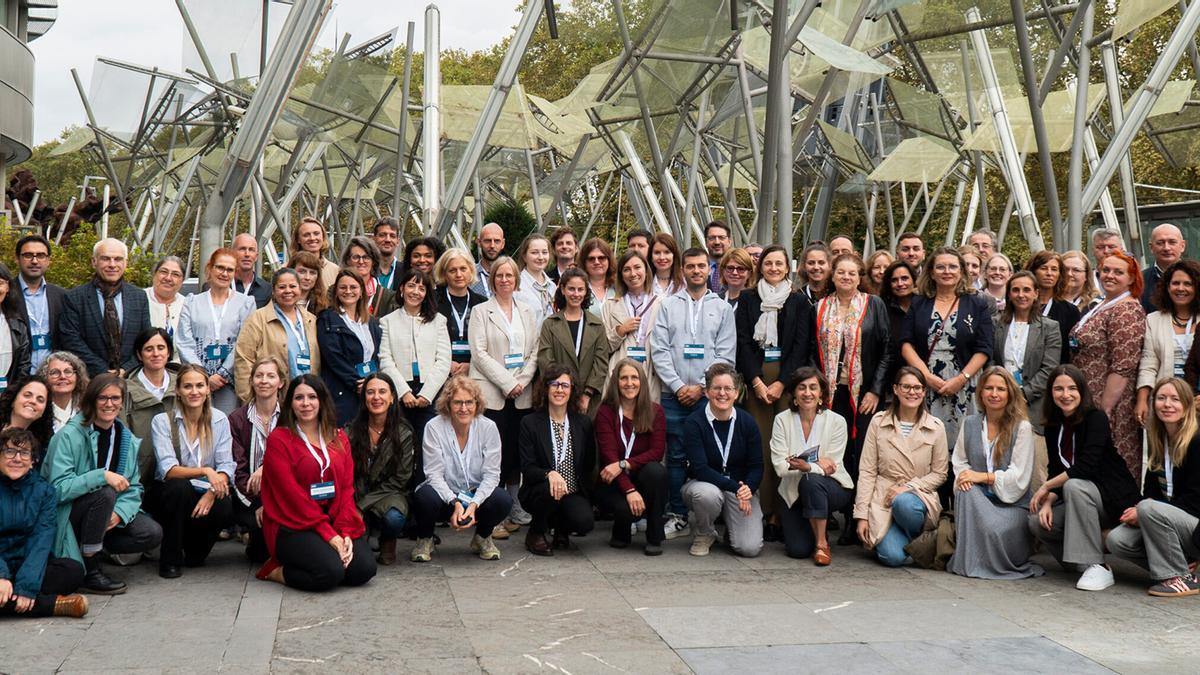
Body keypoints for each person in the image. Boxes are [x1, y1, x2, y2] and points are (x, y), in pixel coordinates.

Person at [41, 374, 163, 594]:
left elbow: (134, 487)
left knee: (151, 533)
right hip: (70, 513)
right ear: (91, 401)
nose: (109, 404)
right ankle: (91, 568)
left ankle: (96, 547)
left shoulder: (125, 438)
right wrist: (101, 476)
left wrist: (120, 513)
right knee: (104, 493)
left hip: (105, 513)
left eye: (115, 398)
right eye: (103, 398)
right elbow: (56, 490)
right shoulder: (69, 436)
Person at [256, 375, 376, 591]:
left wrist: (345, 532)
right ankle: (275, 571)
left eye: (312, 397)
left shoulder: (339, 437)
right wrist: (331, 537)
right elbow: (291, 495)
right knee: (329, 573)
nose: (305, 403)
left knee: (363, 570)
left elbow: (347, 489)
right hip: (292, 523)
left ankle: (326, 556)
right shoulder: (279, 439)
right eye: (298, 398)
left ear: (322, 400)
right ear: (290, 403)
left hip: (332, 518)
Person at [1028, 365, 1141, 591]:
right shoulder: (1053, 425)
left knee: (1075, 486)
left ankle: (1098, 565)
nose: (1066, 394)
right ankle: (1078, 562)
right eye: (1058, 389)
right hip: (1079, 500)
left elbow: (1086, 467)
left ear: (1082, 391)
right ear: (1051, 392)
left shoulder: (1096, 418)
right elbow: (1055, 468)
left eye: (1072, 388)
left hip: (1111, 499)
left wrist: (1046, 487)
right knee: (1037, 521)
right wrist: (1049, 500)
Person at [651, 247, 737, 541]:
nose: (696, 271)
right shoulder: (667, 305)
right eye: (690, 266)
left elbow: (725, 355)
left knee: (709, 456)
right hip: (673, 396)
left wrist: (701, 386)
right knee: (674, 457)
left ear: (708, 270)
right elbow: (659, 350)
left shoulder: (722, 308)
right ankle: (677, 515)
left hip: (708, 397)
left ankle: (709, 518)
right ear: (683, 270)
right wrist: (677, 386)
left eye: (701, 266)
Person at [812, 253, 892, 543]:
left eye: (852, 273)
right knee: (838, 453)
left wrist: (875, 390)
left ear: (861, 278)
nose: (846, 277)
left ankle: (862, 517)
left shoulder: (874, 305)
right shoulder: (820, 308)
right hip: (833, 395)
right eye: (841, 272)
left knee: (864, 456)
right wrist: (818, 390)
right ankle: (844, 513)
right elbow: (812, 351)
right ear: (832, 277)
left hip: (865, 394)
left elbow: (886, 350)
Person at [736, 245, 809, 540]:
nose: (774, 268)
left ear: (787, 267)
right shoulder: (748, 298)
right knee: (762, 447)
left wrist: (782, 383)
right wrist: (756, 381)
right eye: (769, 263)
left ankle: (784, 511)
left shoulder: (797, 301)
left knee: (787, 446)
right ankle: (764, 511)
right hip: (757, 381)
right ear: (761, 267)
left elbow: (801, 345)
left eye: (779, 263)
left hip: (786, 380)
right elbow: (741, 341)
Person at [945, 367, 1043, 579]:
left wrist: (982, 477)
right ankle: (970, 561)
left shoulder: (1022, 427)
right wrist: (967, 477)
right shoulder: (970, 423)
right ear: (980, 392)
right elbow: (960, 461)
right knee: (965, 489)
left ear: (1010, 393)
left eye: (1001, 389)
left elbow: (1019, 476)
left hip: (1011, 505)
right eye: (988, 388)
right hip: (978, 500)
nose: (994, 394)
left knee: (992, 527)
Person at [1107, 377, 1200, 596]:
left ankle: (1182, 577)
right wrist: (1146, 510)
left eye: (1175, 399)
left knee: (1148, 508)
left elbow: (1197, 500)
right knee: (1117, 540)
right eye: (1161, 398)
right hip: (1171, 523)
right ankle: (1178, 565)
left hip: (1195, 525)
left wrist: (1147, 512)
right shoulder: (1160, 440)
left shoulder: (1196, 441)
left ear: (1186, 405)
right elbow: (1150, 491)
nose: (1167, 404)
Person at [469, 257, 540, 536]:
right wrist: (507, 382)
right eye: (499, 275)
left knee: (516, 454)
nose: (505, 280)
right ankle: (493, 509)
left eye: (510, 275)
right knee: (493, 454)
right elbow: (479, 353)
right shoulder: (480, 311)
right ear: (492, 279)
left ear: (516, 279)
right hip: (494, 392)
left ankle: (515, 505)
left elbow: (535, 351)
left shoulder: (527, 311)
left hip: (522, 394)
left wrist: (520, 381)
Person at [901, 247, 993, 452]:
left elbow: (985, 348)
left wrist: (961, 378)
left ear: (961, 271)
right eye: (940, 267)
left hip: (965, 382)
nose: (947, 271)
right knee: (925, 444)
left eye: (952, 267)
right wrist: (925, 376)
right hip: (926, 381)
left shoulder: (977, 303)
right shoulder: (919, 302)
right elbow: (906, 343)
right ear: (932, 272)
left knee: (965, 443)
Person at [854, 367, 949, 566]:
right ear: (896, 389)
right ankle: (918, 545)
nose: (911, 392)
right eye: (906, 387)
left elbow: (940, 474)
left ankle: (920, 536)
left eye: (917, 388)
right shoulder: (878, 422)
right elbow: (868, 471)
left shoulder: (936, 426)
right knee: (892, 557)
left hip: (918, 498)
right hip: (883, 496)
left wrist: (908, 488)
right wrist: (861, 515)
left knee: (904, 503)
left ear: (924, 392)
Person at [410, 375, 511, 562]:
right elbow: (433, 474)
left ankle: (482, 538)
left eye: (468, 402)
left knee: (502, 500)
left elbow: (492, 475)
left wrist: (473, 505)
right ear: (448, 404)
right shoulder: (434, 427)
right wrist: (455, 502)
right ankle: (425, 538)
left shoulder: (489, 427)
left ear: (477, 403)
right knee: (424, 497)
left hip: (475, 497)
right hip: (444, 497)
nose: (463, 408)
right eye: (457, 403)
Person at [148, 365, 235, 578]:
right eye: (187, 386)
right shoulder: (163, 421)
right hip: (171, 492)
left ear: (208, 390)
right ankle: (171, 558)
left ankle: (195, 551)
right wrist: (205, 470)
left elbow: (226, 465)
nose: (194, 391)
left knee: (225, 503)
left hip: (206, 490)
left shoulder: (219, 419)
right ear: (178, 390)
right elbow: (168, 470)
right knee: (179, 488)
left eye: (199, 386)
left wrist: (213, 491)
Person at [1069, 250, 1146, 478]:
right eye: (1106, 270)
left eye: (1118, 272)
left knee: (1111, 466)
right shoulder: (1104, 304)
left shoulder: (1127, 310)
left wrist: (1104, 411)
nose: (1110, 276)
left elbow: (1123, 365)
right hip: (1088, 399)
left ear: (1131, 278)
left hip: (1111, 405)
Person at [0, 428, 89, 618]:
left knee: (72, 570)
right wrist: (0, 575)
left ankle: (12, 599)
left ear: (33, 461)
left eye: (24, 453)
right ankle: (51, 605)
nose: (17, 458)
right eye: (9, 451)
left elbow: (41, 538)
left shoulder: (44, 492)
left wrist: (27, 585)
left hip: (27, 563)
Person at [680, 363, 763, 557]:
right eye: (716, 388)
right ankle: (705, 532)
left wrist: (747, 490)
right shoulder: (694, 422)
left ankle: (731, 532)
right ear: (707, 392)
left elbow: (757, 466)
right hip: (706, 484)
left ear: (736, 392)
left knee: (749, 548)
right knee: (706, 495)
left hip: (740, 488)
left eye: (728, 388)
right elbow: (700, 468)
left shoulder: (747, 422)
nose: (722, 393)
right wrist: (737, 488)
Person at [770, 367, 852, 564]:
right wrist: (816, 464)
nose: (808, 393)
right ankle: (805, 522)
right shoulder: (782, 420)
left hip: (832, 487)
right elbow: (780, 467)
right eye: (802, 388)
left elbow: (833, 465)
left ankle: (822, 543)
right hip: (793, 493)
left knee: (811, 480)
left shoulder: (837, 421)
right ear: (794, 394)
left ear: (821, 393)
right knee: (797, 550)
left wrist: (804, 466)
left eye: (813, 388)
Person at [519, 365, 596, 556]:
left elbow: (588, 462)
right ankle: (535, 533)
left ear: (572, 390)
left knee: (584, 522)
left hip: (572, 491)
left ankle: (561, 528)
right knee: (550, 489)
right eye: (554, 384)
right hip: (541, 490)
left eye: (565, 385)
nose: (559, 390)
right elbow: (527, 468)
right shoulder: (530, 423)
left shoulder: (583, 423)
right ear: (545, 389)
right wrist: (549, 474)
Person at [594, 359, 667, 555]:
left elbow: (657, 452)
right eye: (624, 378)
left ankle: (654, 536)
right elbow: (609, 457)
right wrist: (630, 490)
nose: (629, 383)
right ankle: (621, 530)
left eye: (634, 377)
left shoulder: (655, 411)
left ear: (642, 381)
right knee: (624, 508)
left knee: (656, 472)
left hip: (641, 475)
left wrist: (625, 463)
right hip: (612, 480)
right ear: (616, 382)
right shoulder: (605, 412)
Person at [379, 268, 450, 455]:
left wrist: (426, 394)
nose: (415, 292)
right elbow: (386, 360)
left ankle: (423, 484)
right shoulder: (387, 321)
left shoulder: (438, 321)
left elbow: (443, 360)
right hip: (400, 393)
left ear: (427, 294)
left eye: (421, 288)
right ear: (401, 289)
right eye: (411, 286)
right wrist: (404, 393)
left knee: (429, 447)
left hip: (430, 393)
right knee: (399, 446)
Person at [346, 373, 414, 566]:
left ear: (392, 397)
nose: (376, 397)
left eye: (382, 392)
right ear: (364, 398)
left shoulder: (404, 433)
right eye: (371, 392)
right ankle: (364, 533)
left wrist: (362, 505)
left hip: (388, 493)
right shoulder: (350, 431)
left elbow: (401, 479)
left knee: (394, 518)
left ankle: (387, 539)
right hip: (357, 491)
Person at [176, 248, 256, 413]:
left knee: (226, 430)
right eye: (220, 267)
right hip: (196, 384)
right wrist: (203, 377)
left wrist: (223, 374)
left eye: (230, 270)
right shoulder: (192, 302)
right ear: (210, 268)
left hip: (228, 384)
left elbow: (244, 342)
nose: (224, 273)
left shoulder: (246, 303)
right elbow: (184, 341)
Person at [58, 238, 151, 377]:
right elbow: (72, 341)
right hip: (90, 379)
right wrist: (104, 372)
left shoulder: (139, 297)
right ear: (94, 262)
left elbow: (145, 340)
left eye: (118, 259)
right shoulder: (75, 298)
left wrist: (126, 369)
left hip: (132, 377)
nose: (112, 264)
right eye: (105, 259)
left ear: (126, 263)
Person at [228, 356, 285, 564]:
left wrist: (265, 467)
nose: (264, 381)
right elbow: (237, 467)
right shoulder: (236, 419)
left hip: (282, 494)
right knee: (260, 554)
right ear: (251, 381)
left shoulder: (290, 417)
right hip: (249, 496)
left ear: (281, 382)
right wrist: (256, 503)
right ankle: (253, 535)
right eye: (259, 376)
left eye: (271, 376)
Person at [234, 269, 320, 401]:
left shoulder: (311, 320)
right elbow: (243, 359)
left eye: (292, 286)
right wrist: (249, 399)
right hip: (271, 400)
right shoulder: (258, 319)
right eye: (281, 287)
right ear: (273, 291)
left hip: (306, 399)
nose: (287, 291)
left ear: (300, 289)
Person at [537, 269, 609, 417]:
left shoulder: (597, 325)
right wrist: (561, 389)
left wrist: (587, 394)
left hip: (588, 401)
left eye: (580, 289)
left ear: (586, 292)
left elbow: (601, 363)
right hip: (557, 396)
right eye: (571, 289)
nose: (576, 294)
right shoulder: (550, 324)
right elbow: (545, 361)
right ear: (563, 289)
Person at [995, 272, 1061, 431]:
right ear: (1009, 294)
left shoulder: (1050, 327)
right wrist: (1002, 391)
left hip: (1033, 404)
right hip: (999, 400)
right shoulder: (995, 324)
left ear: (1036, 293)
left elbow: (1049, 369)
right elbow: (991, 360)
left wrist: (1022, 395)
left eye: (1026, 290)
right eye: (1015, 290)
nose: (1021, 295)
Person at [317, 269, 382, 426]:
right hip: (342, 393)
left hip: (368, 392)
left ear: (361, 292)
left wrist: (372, 383)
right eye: (343, 287)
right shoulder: (328, 318)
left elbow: (378, 355)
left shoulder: (371, 323)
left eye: (353, 287)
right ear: (336, 291)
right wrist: (358, 382)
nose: (348, 291)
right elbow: (333, 357)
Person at [1139, 260, 1200, 426]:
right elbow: (1148, 363)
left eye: (1188, 283)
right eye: (1175, 283)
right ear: (1167, 286)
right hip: (1166, 403)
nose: (1181, 288)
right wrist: (1142, 399)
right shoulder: (1153, 320)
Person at [601, 251, 662, 399]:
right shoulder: (609, 305)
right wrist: (620, 331)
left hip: (650, 371)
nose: (633, 273)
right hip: (620, 371)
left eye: (637, 267)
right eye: (627, 269)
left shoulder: (662, 303)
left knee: (647, 417)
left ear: (646, 271)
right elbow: (603, 347)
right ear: (621, 275)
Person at [122, 328, 178, 482]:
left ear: (169, 352)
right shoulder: (125, 389)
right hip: (139, 475)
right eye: (148, 349)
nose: (156, 354)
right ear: (139, 355)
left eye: (161, 348)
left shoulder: (184, 385)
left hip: (178, 474)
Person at [13, 234, 65, 372]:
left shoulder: (61, 296)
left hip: (52, 375)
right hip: (16, 374)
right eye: (28, 255)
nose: (35, 261)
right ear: (17, 259)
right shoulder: (6, 293)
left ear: (48, 260)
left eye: (41, 255)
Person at [436, 248, 487, 379]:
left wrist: (472, 365)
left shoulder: (483, 303)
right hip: (440, 373)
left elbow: (488, 343)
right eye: (452, 270)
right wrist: (446, 363)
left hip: (474, 373)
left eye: (463, 269)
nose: (458, 275)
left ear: (471, 270)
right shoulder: (433, 302)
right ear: (444, 274)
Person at [1026, 251, 1080, 364]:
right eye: (1044, 268)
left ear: (1060, 274)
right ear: (1033, 271)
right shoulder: (1022, 306)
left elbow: (1070, 350)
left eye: (1054, 269)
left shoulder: (1070, 311)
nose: (1049, 273)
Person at [880, 261, 916, 396]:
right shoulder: (882, 308)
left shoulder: (925, 306)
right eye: (894, 280)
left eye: (905, 278)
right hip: (891, 383)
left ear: (914, 279)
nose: (900, 284)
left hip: (923, 380)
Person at [341, 235, 395, 316]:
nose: (361, 261)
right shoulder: (335, 292)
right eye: (356, 257)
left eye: (366, 257)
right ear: (347, 261)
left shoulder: (387, 297)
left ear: (373, 261)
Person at [0, 375, 52, 456]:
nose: (33, 401)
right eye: (27, 395)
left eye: (40, 400)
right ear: (13, 400)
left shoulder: (43, 448)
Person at [514, 233, 557, 326]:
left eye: (544, 252)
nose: (541, 257)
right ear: (524, 256)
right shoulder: (516, 286)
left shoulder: (552, 287)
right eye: (534, 252)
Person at [0, 263, 31, 389]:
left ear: (8, 287)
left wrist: (12, 394)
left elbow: (23, 366)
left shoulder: (17, 324)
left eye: (0, 283)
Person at [1142, 223, 1187, 313]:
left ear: (1182, 246)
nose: (1166, 248)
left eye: (1172, 242)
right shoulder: (1139, 280)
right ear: (1151, 247)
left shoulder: (1196, 276)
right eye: (1160, 243)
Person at [39, 352, 87, 433]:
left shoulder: (86, 410)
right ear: (45, 377)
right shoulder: (39, 413)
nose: (62, 377)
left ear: (78, 377)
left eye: (68, 371)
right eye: (55, 372)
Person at [289, 216, 339, 287]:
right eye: (306, 235)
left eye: (316, 233)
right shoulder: (287, 269)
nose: (312, 238)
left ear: (323, 237)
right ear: (298, 240)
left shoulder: (335, 270)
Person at [145, 256, 186, 341]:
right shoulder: (139, 299)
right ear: (154, 274)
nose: (168, 278)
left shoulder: (187, 305)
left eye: (175, 274)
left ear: (182, 280)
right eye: (164, 272)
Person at [231, 234, 272, 309]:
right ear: (232, 253)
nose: (247, 254)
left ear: (256, 256)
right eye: (242, 249)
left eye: (251, 250)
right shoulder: (219, 286)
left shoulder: (266, 289)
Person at [580, 238, 616, 313]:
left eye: (601, 258)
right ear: (584, 262)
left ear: (609, 260)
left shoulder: (619, 288)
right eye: (591, 258)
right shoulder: (578, 289)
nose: (596, 262)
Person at [469, 223, 505, 297]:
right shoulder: (469, 276)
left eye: (497, 241)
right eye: (487, 241)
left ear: (503, 244)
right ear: (479, 242)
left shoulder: (511, 276)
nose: (492, 245)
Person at [289, 251, 330, 316]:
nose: (307, 277)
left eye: (312, 273)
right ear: (290, 272)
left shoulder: (325, 306)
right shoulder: (276, 303)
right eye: (302, 271)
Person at [371, 217, 403, 291]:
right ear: (374, 239)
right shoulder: (365, 270)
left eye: (392, 236)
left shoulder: (406, 272)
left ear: (397, 241)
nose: (388, 240)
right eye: (382, 235)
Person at [1091, 228, 1124, 295]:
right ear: (1093, 251)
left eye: (1111, 247)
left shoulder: (1133, 279)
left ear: (1121, 250)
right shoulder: (1084, 280)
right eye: (1100, 247)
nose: (1106, 251)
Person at [650, 232, 684, 298]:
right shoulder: (643, 282)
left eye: (667, 252)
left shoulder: (685, 282)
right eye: (657, 253)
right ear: (651, 256)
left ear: (674, 255)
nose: (662, 257)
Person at [704, 221, 731, 293]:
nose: (717, 242)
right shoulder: (698, 268)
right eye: (712, 238)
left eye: (721, 237)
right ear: (706, 242)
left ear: (729, 242)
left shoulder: (739, 269)